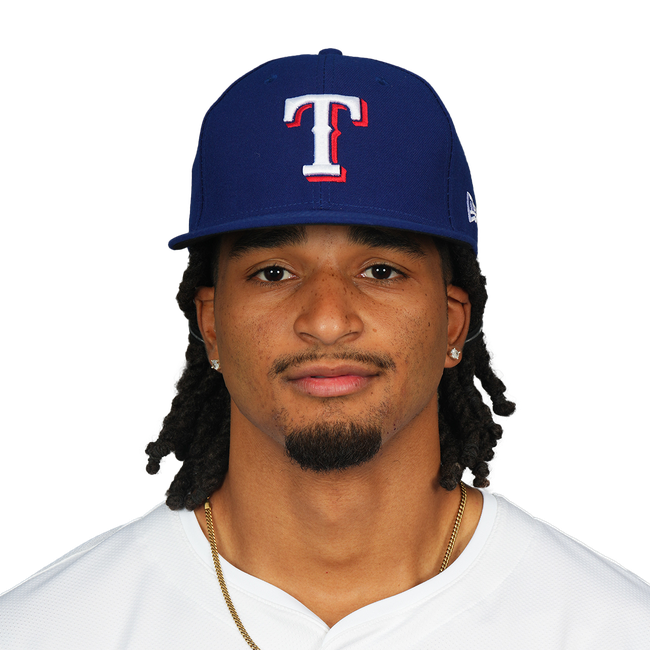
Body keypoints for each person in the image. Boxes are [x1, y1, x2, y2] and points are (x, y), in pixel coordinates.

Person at [1, 48, 648, 649]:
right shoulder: (45, 630)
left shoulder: (613, 627)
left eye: (381, 271)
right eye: (274, 272)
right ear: (211, 324)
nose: (328, 320)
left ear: (455, 324)